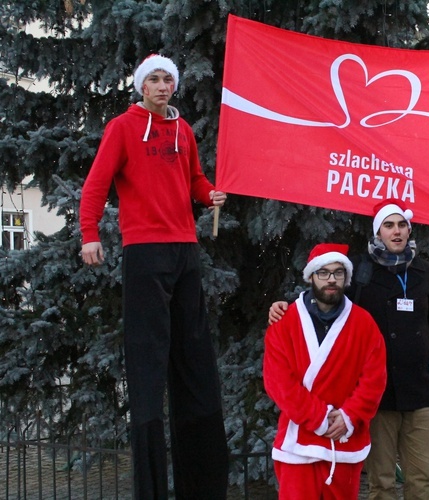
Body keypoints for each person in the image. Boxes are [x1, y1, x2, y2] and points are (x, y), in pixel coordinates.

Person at [79, 54, 229, 499]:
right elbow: (95, 184)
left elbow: (195, 181)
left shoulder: (183, 131)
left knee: (193, 357)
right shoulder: (123, 128)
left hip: (185, 250)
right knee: (148, 363)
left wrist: (210, 196)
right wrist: (90, 234)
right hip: (144, 252)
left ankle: (198, 487)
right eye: (155, 79)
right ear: (142, 86)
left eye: (168, 79)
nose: (163, 86)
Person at [269, 199, 429, 499]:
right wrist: (284, 307)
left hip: (419, 391)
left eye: (401, 225)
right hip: (380, 399)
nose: (396, 232)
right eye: (389, 225)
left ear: (409, 230)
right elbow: (327, 298)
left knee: (422, 481)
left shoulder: (423, 270)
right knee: (381, 483)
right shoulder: (361, 270)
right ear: (378, 232)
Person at [263, 243, 387, 498]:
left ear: (346, 277)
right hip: (298, 442)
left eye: (338, 273)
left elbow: (374, 379)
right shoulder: (284, 321)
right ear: (311, 276)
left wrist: (350, 416)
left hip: (344, 441)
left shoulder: (364, 323)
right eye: (324, 272)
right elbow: (278, 382)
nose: (331, 279)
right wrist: (319, 418)